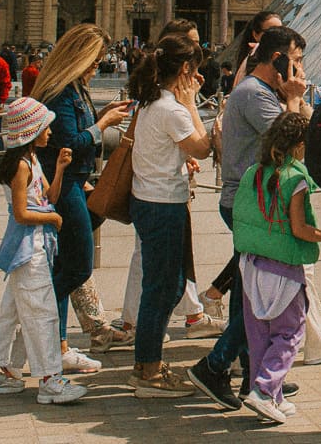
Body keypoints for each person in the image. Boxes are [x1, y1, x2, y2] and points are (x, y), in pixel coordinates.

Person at [188, 25, 307, 411]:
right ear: (277, 60)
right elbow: (291, 143)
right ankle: (216, 366)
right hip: (251, 201)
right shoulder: (255, 95)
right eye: (296, 61)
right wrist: (295, 100)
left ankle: (255, 376)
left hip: (254, 199)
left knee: (252, 293)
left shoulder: (261, 92)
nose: (300, 69)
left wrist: (294, 98)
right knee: (260, 298)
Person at [0, 96, 88, 404]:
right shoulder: (21, 166)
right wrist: (52, 217)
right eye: (45, 127)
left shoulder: (32, 160)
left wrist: (60, 169)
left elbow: (48, 194)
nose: (50, 131)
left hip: (30, 247)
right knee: (43, 313)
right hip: (28, 248)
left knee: (11, 314)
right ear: (31, 130)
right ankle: (50, 380)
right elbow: (23, 213)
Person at [31, 24, 129, 374]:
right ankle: (40, 333)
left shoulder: (73, 89)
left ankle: (52, 344)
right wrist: (103, 124)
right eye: (94, 61)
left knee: (61, 268)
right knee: (76, 267)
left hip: (76, 182)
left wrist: (102, 116)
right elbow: (70, 140)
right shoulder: (61, 93)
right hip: (66, 184)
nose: (96, 67)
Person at [232, 111, 321, 424]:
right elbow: (299, 228)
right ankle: (265, 391)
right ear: (299, 144)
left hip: (251, 262)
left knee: (259, 332)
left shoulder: (254, 170)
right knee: (290, 331)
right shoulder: (295, 177)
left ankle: (267, 394)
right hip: (283, 265)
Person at [127, 33, 211, 398]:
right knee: (161, 289)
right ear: (185, 71)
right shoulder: (172, 108)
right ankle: (146, 371)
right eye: (194, 72)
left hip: (152, 201)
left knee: (170, 286)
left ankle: (149, 362)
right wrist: (192, 103)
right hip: (162, 206)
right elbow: (204, 147)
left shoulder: (151, 101)